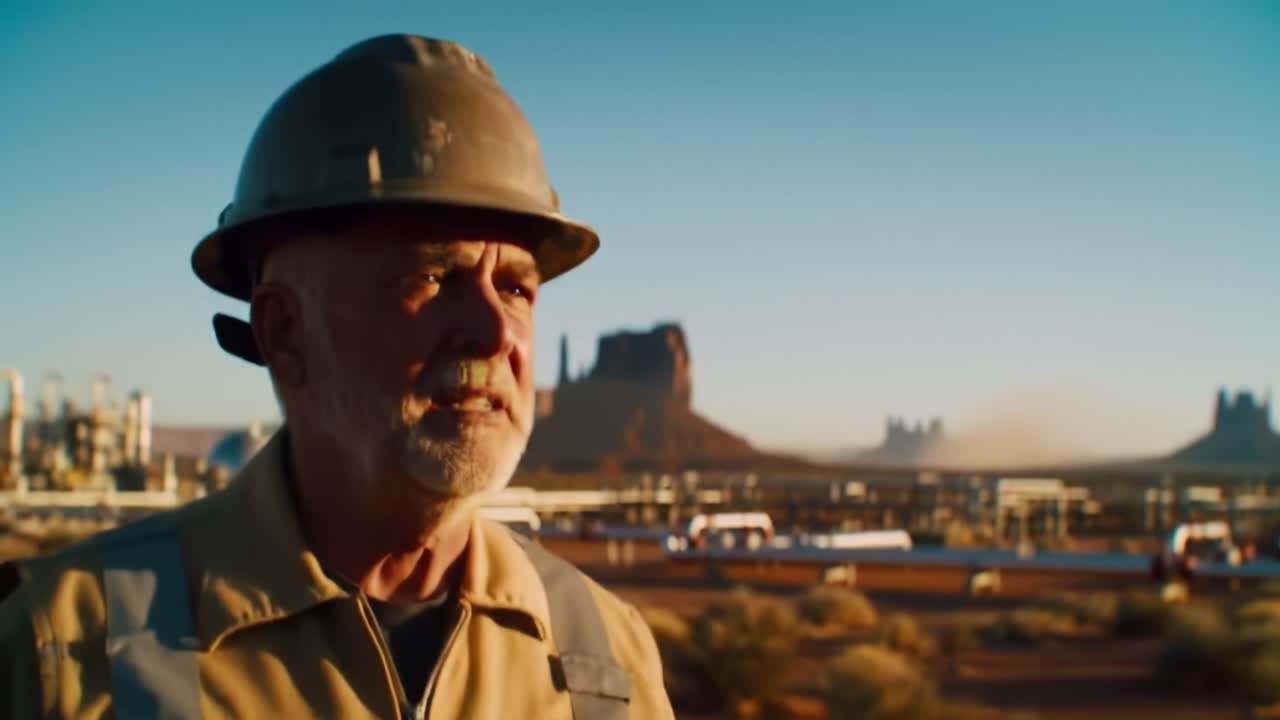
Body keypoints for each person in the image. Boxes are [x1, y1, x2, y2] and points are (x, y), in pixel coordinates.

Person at [0, 34, 675, 719]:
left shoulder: (609, 658)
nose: (496, 332)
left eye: (516, 289)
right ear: (284, 333)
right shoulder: (64, 650)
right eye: (433, 277)